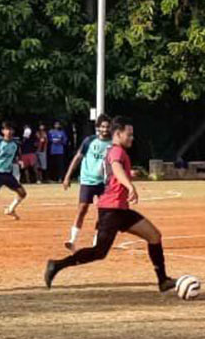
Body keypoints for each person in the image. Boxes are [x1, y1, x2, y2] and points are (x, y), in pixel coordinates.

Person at [44, 117, 176, 294]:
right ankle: (57, 265)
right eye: (129, 134)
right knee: (99, 252)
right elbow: (116, 169)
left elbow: (116, 172)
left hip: (121, 209)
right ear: (118, 134)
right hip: (111, 209)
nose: (132, 138)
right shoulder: (116, 151)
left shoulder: (117, 151)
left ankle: (163, 281)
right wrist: (130, 186)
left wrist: (130, 175)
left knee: (154, 236)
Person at [62, 115, 113, 248]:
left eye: (107, 126)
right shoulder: (89, 141)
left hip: (104, 182)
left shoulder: (113, 144)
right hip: (87, 180)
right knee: (82, 209)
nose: (105, 129)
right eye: (102, 126)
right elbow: (77, 158)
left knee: (103, 211)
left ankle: (97, 241)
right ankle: (72, 240)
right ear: (98, 128)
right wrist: (67, 176)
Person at [47, 120, 69, 186]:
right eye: (55, 124)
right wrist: (53, 141)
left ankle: (60, 178)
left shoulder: (62, 132)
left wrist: (60, 141)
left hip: (60, 151)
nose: (57, 126)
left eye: (58, 124)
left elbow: (65, 141)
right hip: (53, 151)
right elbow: (48, 140)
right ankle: (52, 178)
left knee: (60, 165)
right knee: (52, 164)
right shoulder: (50, 132)